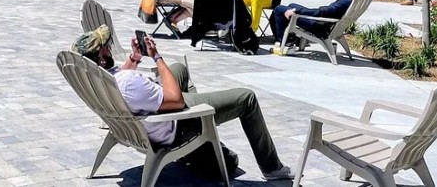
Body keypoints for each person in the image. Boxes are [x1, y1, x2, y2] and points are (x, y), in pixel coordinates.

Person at [71, 26, 292, 181]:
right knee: (247, 97)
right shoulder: (128, 82)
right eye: (105, 46)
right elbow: (175, 101)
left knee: (179, 69)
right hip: (175, 120)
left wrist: (136, 57)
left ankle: (205, 138)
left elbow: (119, 82)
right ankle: (271, 167)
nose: (109, 46)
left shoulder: (98, 79)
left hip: (143, 113)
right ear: (100, 58)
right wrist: (156, 57)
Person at [271, 0, 364, 54]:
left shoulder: (346, 1)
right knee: (292, 5)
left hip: (319, 26)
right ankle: (290, 39)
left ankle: (287, 44)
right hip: (329, 24)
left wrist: (298, 11)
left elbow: (323, 12)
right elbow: (327, 11)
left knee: (279, 9)